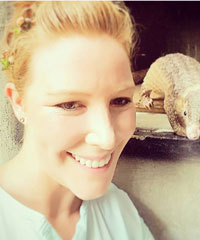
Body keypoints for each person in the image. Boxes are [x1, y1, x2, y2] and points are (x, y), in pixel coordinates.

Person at [0, 1, 154, 240]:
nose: (107, 138)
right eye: (69, 104)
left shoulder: (118, 212)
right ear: (19, 103)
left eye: (121, 100)